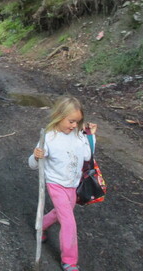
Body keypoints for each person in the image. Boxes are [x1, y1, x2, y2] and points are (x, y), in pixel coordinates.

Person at [28, 95, 97, 271]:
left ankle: (40, 225)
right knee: (68, 222)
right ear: (59, 116)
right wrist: (37, 156)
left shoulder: (79, 135)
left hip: (73, 184)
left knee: (61, 214)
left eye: (78, 122)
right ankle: (70, 261)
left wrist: (91, 137)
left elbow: (88, 156)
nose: (74, 125)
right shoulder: (49, 138)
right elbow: (33, 164)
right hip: (56, 184)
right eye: (71, 121)